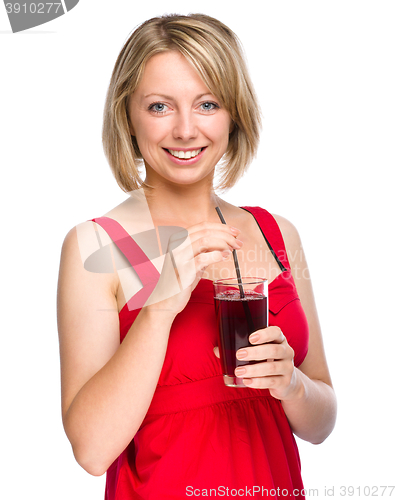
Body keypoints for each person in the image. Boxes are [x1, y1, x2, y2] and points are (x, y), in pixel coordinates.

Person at [57, 13, 337, 500]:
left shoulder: (277, 234)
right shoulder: (94, 246)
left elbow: (322, 422)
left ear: (234, 114)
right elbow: (91, 450)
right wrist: (162, 306)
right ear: (128, 115)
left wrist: (290, 384)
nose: (186, 129)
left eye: (207, 104)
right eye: (160, 106)